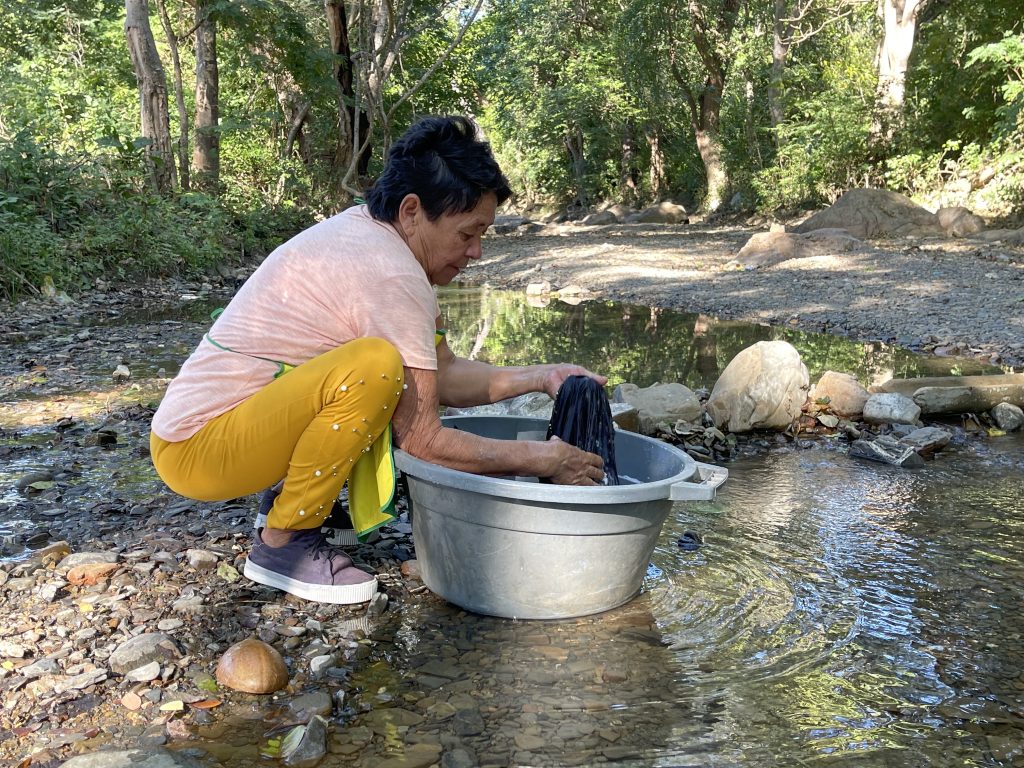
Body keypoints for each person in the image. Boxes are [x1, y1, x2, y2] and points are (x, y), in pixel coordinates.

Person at [150, 115, 606, 605]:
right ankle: (283, 545)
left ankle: (283, 506)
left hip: (213, 437)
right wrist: (548, 459)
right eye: (467, 233)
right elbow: (425, 441)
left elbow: (443, 374)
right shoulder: (389, 273)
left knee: (379, 370)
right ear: (412, 211)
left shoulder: (369, 235)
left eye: (483, 235)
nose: (476, 252)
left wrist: (544, 377)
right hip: (200, 451)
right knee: (373, 368)